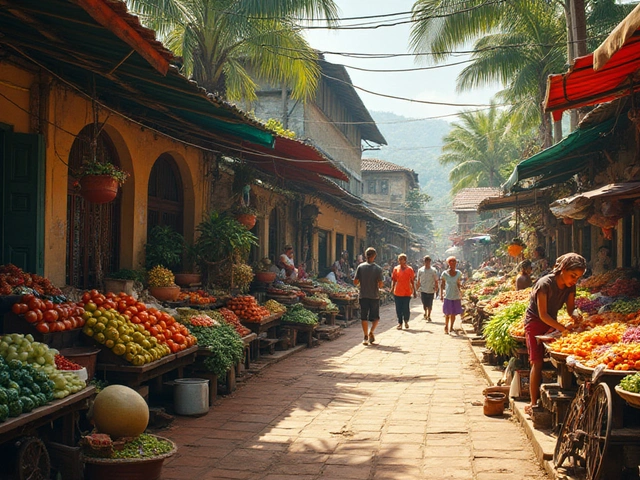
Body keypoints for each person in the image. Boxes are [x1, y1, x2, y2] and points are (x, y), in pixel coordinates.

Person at [524, 253, 586, 416]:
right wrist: (563, 328)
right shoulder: (544, 284)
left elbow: (571, 308)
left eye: (578, 277)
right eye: (573, 275)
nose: (575, 280)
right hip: (535, 323)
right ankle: (533, 403)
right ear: (563, 269)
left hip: (553, 323)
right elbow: (543, 314)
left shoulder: (570, 286)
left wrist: (576, 314)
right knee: (536, 362)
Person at [354, 247, 384, 346]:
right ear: (374, 256)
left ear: (365, 255)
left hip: (363, 295)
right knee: (375, 317)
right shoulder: (378, 269)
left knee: (364, 317)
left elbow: (355, 282)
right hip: (374, 296)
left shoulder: (360, 267)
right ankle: (371, 332)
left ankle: (365, 336)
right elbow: (380, 285)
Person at [391, 253, 417, 330]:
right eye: (399, 259)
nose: (400, 261)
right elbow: (394, 280)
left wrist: (414, 291)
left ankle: (406, 320)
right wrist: (392, 288)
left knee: (406, 308)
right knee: (398, 308)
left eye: (402, 259)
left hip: (407, 292)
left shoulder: (410, 269)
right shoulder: (396, 269)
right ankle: (400, 323)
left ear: (405, 260)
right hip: (398, 292)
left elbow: (412, 281)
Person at [440, 256, 463, 335]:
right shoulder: (445, 274)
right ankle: (446, 326)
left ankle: (451, 327)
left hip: (456, 295)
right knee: (447, 313)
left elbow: (459, 283)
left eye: (454, 262)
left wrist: (461, 292)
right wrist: (441, 295)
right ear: (448, 263)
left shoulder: (459, 273)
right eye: (451, 262)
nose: (452, 264)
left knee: (453, 313)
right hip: (448, 296)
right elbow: (442, 284)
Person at [416, 255, 439, 321]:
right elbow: (418, 280)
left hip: (431, 289)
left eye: (428, 261)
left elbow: (436, 280)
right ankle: (425, 312)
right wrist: (417, 289)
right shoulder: (420, 270)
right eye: (426, 261)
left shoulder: (433, 270)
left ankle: (429, 315)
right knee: (424, 303)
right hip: (423, 289)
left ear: (430, 262)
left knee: (430, 304)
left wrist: (436, 287)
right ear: (424, 262)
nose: (427, 263)